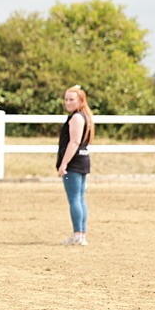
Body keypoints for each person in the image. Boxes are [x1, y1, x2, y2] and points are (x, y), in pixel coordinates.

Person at [56, 84, 94, 246]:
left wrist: (63, 163)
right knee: (79, 198)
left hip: (74, 162)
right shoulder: (84, 116)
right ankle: (80, 233)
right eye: (66, 99)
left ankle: (78, 234)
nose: (68, 102)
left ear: (80, 101)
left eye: (72, 99)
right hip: (82, 160)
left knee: (74, 199)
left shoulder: (76, 118)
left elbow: (74, 142)